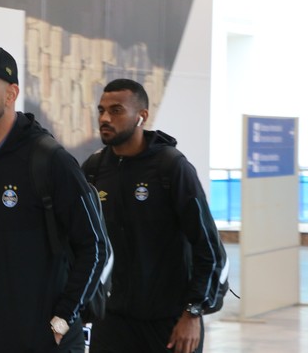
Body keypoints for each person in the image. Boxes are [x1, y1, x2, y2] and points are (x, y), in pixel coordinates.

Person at [0, 43, 112, 353]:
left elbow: (95, 246)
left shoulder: (49, 160)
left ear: (11, 93)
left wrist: (63, 319)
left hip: (38, 341)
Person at [82, 78, 229, 353]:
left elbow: (210, 249)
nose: (104, 118)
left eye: (116, 110)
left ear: (142, 116)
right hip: (112, 322)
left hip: (170, 323)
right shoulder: (93, 169)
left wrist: (193, 313)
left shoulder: (171, 167)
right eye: (101, 110)